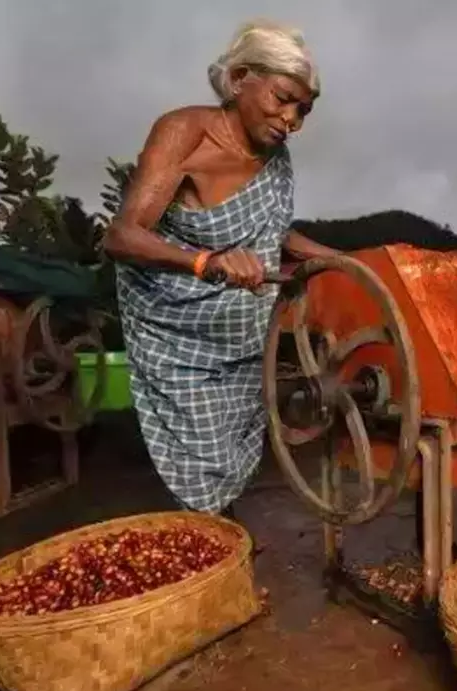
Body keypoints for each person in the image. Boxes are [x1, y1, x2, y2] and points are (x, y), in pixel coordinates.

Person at [104, 19, 337, 518]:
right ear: (238, 80)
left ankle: (221, 541)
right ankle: (213, 555)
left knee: (233, 445)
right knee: (200, 449)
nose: (292, 119)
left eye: (303, 110)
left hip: (243, 330)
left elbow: (274, 236)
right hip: (177, 322)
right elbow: (122, 235)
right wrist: (206, 262)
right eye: (282, 98)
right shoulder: (184, 132)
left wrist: (340, 263)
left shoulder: (276, 156)